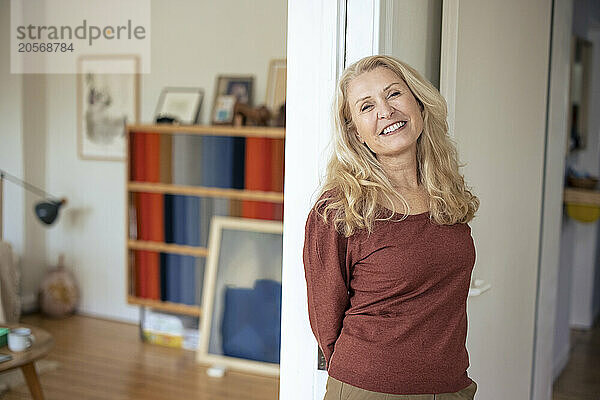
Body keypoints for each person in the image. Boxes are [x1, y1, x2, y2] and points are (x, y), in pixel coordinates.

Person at [303, 55, 480, 400]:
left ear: (418, 102)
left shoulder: (446, 192)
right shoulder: (339, 209)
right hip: (371, 387)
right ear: (355, 131)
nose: (386, 111)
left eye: (394, 94)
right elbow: (326, 318)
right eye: (366, 106)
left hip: (451, 386)